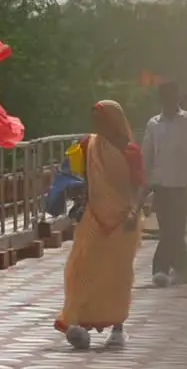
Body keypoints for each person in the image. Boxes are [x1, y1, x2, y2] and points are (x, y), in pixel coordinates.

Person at [54, 100, 147, 350]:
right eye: (94, 120)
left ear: (114, 121)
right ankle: (77, 324)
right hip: (94, 216)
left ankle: (117, 327)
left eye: (101, 120)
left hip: (123, 219)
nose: (96, 125)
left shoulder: (130, 151)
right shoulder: (89, 145)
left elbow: (139, 187)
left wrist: (133, 212)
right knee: (83, 268)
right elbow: (77, 174)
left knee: (117, 274)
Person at [142, 81, 187, 287]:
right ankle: (185, 267)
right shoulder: (153, 124)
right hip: (162, 185)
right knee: (170, 229)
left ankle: (160, 269)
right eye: (165, 99)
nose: (169, 102)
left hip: (185, 184)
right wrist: (144, 184)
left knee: (176, 228)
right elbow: (148, 156)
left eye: (173, 98)